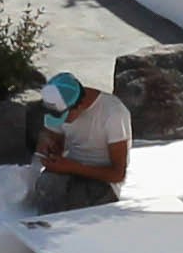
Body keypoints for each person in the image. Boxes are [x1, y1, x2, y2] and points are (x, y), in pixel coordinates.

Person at [24, 68, 131, 216]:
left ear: (79, 106)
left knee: (77, 202)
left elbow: (118, 174)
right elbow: (51, 136)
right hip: (70, 169)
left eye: (64, 117)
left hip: (103, 181)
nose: (63, 122)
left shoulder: (113, 113)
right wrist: (47, 146)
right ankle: (45, 231)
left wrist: (72, 167)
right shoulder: (58, 106)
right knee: (46, 185)